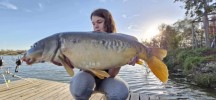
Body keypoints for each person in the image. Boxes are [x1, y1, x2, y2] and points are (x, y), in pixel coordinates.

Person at [69, 8, 129, 100]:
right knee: (80, 86)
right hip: (87, 78)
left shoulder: (117, 43)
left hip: (106, 80)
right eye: (93, 23)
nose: (95, 26)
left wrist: (122, 59)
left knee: (121, 91)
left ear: (108, 22)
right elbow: (84, 70)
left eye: (99, 22)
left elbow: (112, 74)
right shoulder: (87, 41)